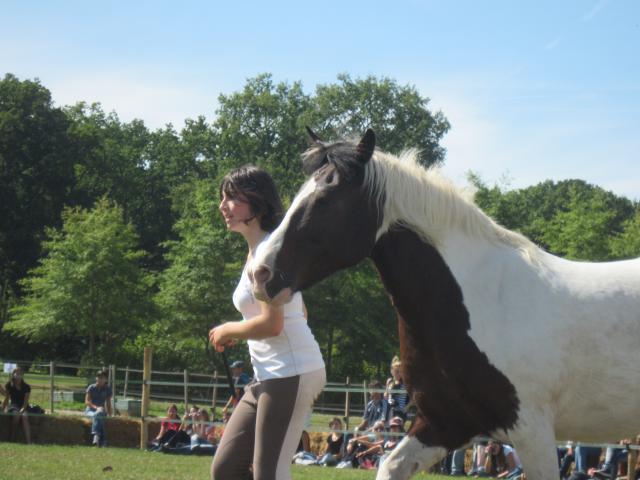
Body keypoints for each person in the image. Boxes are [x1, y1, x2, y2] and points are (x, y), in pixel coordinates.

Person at [210, 166, 326, 480]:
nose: (223, 206)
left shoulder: (267, 254)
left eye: (231, 198)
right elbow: (300, 313)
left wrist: (228, 329)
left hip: (291, 371)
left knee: (269, 474)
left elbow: (273, 325)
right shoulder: (263, 250)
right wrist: (249, 328)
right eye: (223, 198)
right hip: (268, 375)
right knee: (226, 469)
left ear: (257, 202)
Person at [2, 366, 32, 444]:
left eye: (20, 374)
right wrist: (3, 408)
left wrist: (22, 410)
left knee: (25, 417)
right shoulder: (9, 385)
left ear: (22, 375)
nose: (18, 375)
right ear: (13, 375)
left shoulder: (27, 387)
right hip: (13, 405)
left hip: (23, 406)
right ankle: (12, 438)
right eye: (16, 373)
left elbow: (25, 403)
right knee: (16, 415)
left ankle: (28, 442)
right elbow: (7, 398)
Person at [85, 370, 112, 447]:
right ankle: (103, 440)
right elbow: (87, 401)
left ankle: (96, 436)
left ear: (106, 380)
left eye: (102, 378)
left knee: (99, 415)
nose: (100, 379)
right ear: (96, 378)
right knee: (99, 418)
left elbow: (108, 403)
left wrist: (110, 415)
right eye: (98, 377)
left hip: (102, 411)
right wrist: (96, 408)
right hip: (90, 411)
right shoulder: (91, 387)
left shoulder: (108, 389)